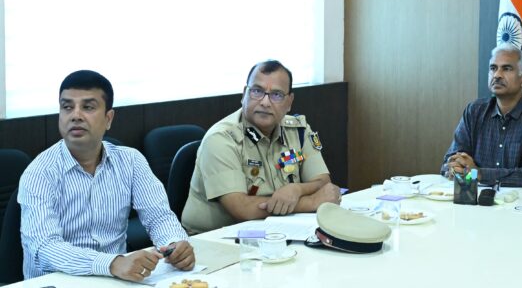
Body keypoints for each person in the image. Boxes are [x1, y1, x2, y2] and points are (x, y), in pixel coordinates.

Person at [19, 70, 194, 282]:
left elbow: (159, 217)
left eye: (88, 107)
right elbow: (45, 247)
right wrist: (112, 263)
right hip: (57, 281)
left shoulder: (130, 161)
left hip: (116, 279)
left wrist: (175, 243)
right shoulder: (40, 172)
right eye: (67, 107)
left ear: (108, 118)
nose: (75, 115)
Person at [181, 60, 340, 234]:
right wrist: (310, 202)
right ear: (244, 94)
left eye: (276, 95)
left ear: (289, 102)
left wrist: (296, 189)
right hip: (213, 237)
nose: (265, 102)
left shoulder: (298, 131)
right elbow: (241, 208)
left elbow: (322, 182)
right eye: (257, 91)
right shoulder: (221, 139)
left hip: (273, 231)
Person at [441, 44, 522, 189]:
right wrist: (455, 167)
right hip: (480, 197)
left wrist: (479, 174)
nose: (497, 75)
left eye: (506, 68)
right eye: (493, 68)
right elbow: (451, 160)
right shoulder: (475, 111)